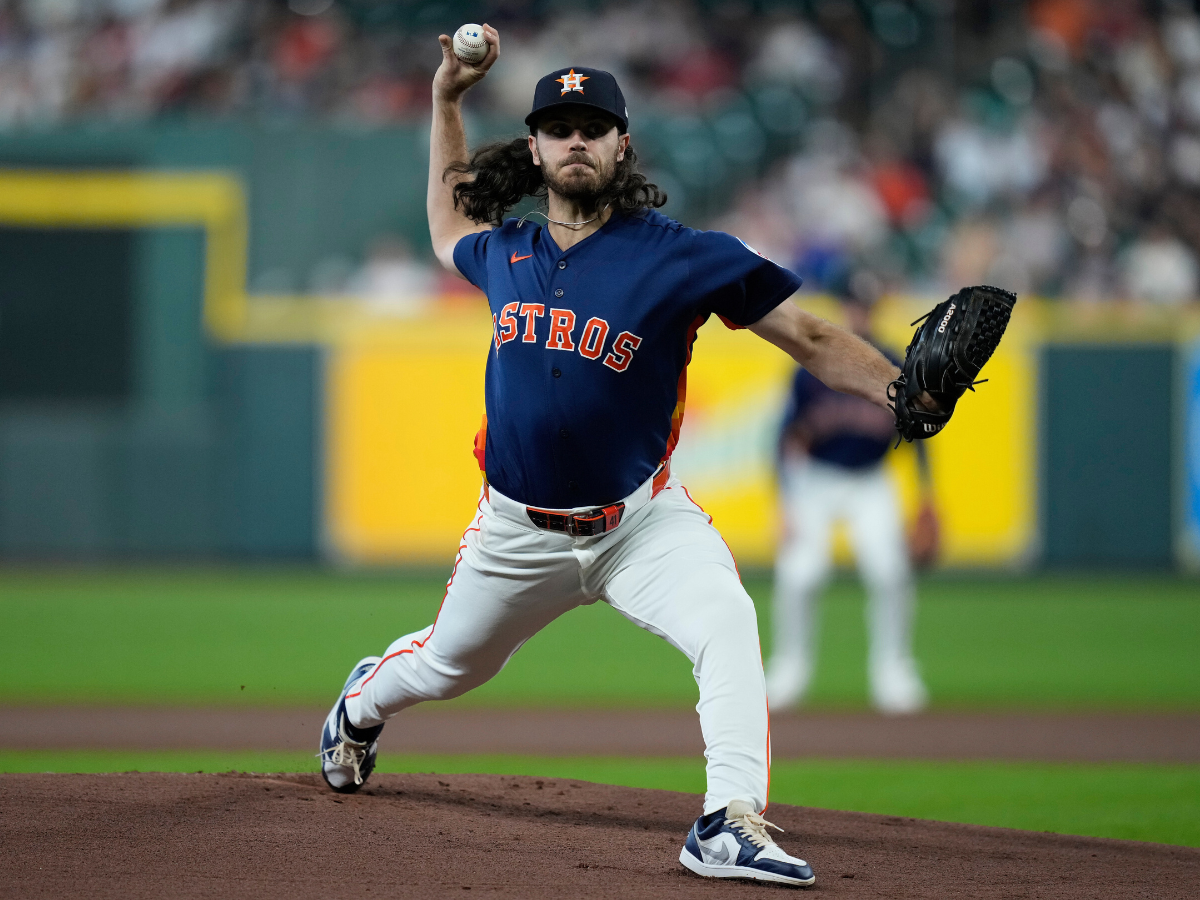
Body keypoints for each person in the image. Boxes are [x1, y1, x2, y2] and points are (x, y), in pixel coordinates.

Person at [319, 25, 935, 888]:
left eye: (593, 127)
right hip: (516, 530)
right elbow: (447, 221)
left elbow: (811, 336)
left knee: (726, 618)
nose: (576, 139)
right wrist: (446, 97)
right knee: (446, 666)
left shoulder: (685, 257)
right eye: (558, 128)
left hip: (641, 523)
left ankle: (728, 820)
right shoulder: (507, 251)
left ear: (622, 144)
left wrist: (901, 392)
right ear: (535, 148)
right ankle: (359, 706)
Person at [764, 292, 937, 716]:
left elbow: (919, 433)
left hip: (870, 480)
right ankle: (788, 670)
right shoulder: (813, 362)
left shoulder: (895, 362)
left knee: (889, 572)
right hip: (815, 479)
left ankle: (894, 673)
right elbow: (784, 438)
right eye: (854, 304)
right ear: (844, 307)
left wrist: (926, 496)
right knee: (800, 574)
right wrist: (785, 502)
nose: (859, 312)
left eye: (865, 304)